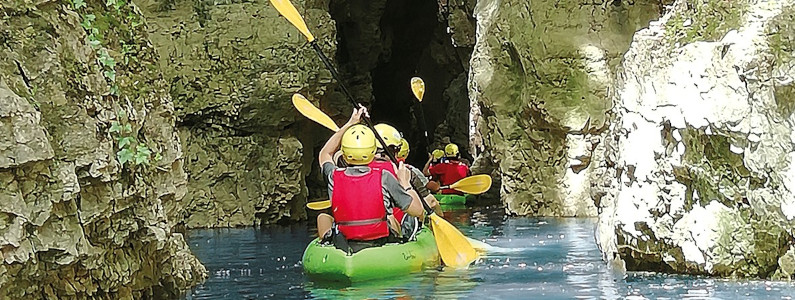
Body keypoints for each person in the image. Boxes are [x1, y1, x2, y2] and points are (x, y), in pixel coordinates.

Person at [316, 108, 425, 252]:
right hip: (379, 243)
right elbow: (418, 211)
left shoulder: (334, 176)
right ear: (373, 151)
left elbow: (325, 153)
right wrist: (405, 183)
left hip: (346, 242)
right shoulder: (384, 176)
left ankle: (327, 246)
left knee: (323, 217)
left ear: (344, 152)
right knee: (390, 217)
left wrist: (350, 123)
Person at [370, 124, 441, 239]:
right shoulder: (406, 172)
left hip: (359, 232)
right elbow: (431, 203)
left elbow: (329, 155)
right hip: (395, 231)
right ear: (396, 150)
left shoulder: (352, 170)